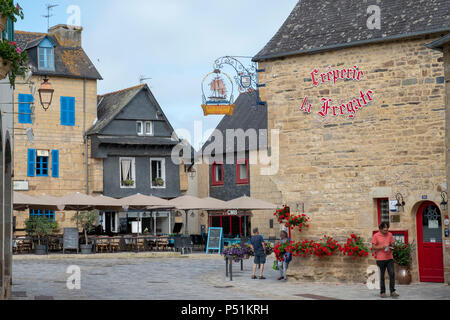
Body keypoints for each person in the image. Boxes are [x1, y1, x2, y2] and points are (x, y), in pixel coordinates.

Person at [372, 222, 399, 298]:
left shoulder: (390, 234)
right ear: (380, 229)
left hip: (389, 258)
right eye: (384, 230)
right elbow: (373, 247)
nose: (386, 232)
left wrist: (392, 245)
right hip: (380, 259)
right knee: (382, 276)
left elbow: (393, 243)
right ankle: (382, 292)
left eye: (387, 230)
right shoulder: (376, 236)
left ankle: (392, 291)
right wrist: (382, 247)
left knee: (392, 274)